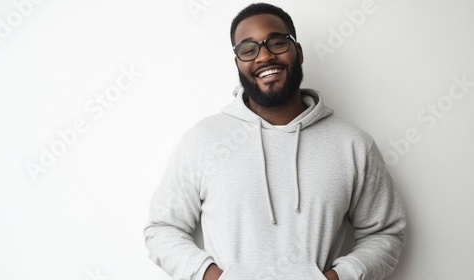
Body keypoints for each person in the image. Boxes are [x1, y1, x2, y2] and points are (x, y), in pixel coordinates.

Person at [144, 3, 406, 280]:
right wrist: (215, 278)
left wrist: (338, 278)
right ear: (238, 64)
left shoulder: (353, 144)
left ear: (298, 52)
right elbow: (162, 229)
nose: (264, 56)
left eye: (277, 43)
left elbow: (385, 232)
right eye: (248, 49)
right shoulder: (202, 140)